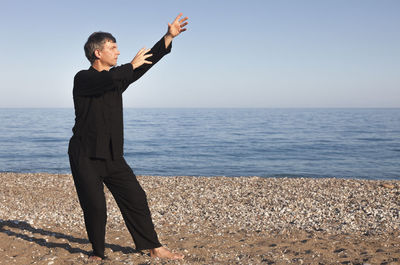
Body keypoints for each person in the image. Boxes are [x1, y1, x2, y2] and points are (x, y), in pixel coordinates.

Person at [68, 13, 188, 261]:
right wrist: (130, 66)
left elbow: (143, 64)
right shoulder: (84, 78)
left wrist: (167, 37)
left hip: (112, 154)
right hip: (85, 155)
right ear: (98, 53)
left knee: (136, 197)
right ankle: (98, 253)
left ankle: (153, 246)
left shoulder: (116, 80)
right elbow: (111, 76)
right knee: (95, 207)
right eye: (113, 47)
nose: (118, 52)